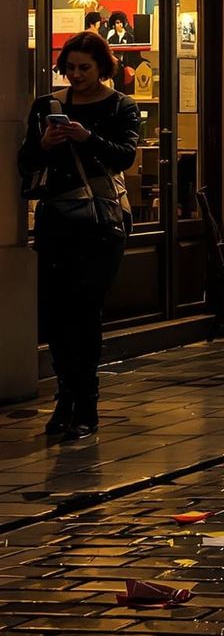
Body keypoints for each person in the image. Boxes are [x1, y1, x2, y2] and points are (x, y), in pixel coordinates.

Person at [17, 32, 140, 440]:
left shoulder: (120, 105)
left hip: (100, 222)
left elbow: (125, 155)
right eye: (69, 67)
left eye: (84, 68)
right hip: (56, 218)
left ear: (101, 67)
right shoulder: (47, 106)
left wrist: (87, 138)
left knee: (85, 311)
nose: (75, 75)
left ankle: (86, 403)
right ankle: (65, 395)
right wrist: (44, 143)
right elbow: (25, 164)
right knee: (53, 313)